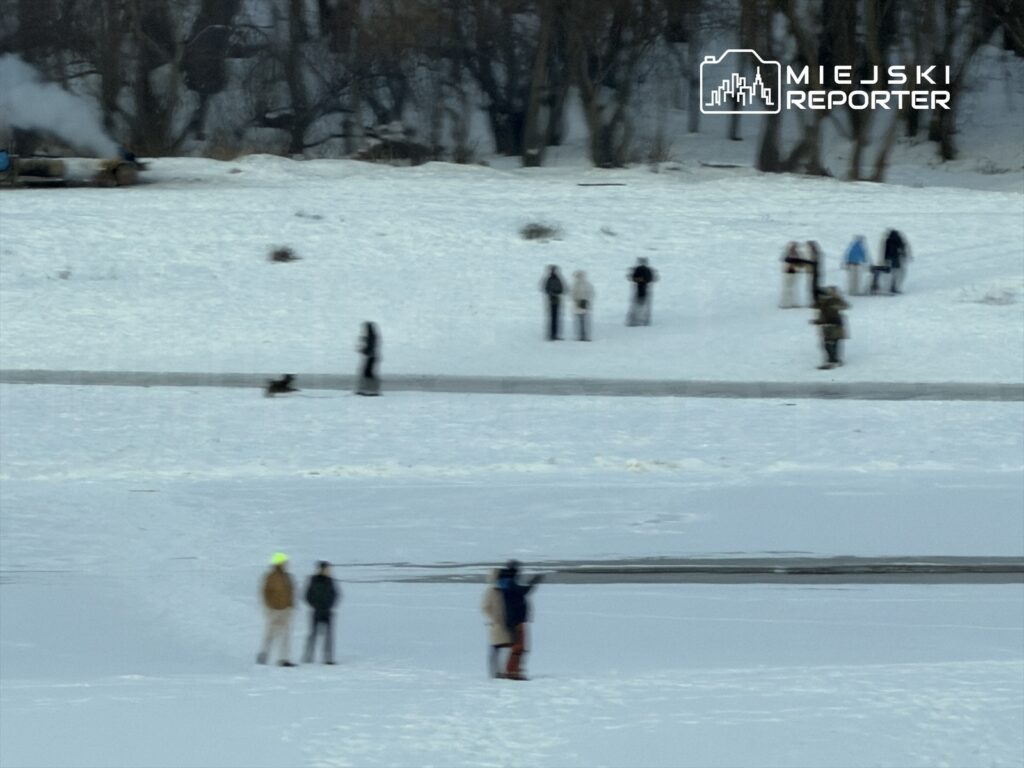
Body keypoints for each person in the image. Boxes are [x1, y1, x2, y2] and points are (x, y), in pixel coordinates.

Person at [497, 560, 544, 681]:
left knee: (518, 647)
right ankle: (513, 672)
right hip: (517, 619)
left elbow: (521, 592)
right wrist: (533, 582)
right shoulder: (510, 583)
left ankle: (513, 671)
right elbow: (522, 592)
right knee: (519, 647)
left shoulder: (505, 582)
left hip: (513, 618)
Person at [257, 552, 296, 667]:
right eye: (283, 562)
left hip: (285, 610)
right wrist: (269, 605)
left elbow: (291, 591)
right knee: (270, 634)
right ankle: (264, 655)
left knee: (285, 635)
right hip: (274, 610)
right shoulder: (271, 577)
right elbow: (265, 592)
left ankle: (284, 658)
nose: (285, 564)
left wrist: (290, 605)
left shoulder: (287, 576)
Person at [303, 561, 340, 665]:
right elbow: (307, 595)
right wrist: (314, 605)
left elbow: (335, 594)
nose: (328, 571)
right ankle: (308, 656)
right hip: (316, 611)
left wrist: (330, 605)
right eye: (327, 569)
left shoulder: (330, 581)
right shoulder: (313, 580)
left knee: (328, 636)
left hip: (327, 611)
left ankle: (328, 658)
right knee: (313, 634)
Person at [480, 568, 513, 678]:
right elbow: (484, 607)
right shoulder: (491, 591)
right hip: (497, 625)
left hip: (506, 624)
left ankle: (502, 672)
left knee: (505, 650)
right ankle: (495, 673)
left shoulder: (505, 590)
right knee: (496, 650)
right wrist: (494, 618)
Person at [810, 286, 850, 369]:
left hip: (835, 325)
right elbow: (815, 307)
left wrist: (837, 299)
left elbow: (845, 306)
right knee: (827, 344)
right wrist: (817, 321)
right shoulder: (822, 302)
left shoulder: (835, 301)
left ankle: (833, 360)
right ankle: (831, 359)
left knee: (832, 343)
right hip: (827, 326)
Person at [626, 257, 658, 326]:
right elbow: (653, 278)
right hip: (642, 290)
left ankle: (636, 320)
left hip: (641, 290)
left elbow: (632, 278)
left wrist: (640, 279)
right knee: (640, 306)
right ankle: (642, 320)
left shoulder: (640, 269)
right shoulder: (646, 269)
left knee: (637, 306)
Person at [539, 265, 564, 340]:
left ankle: (555, 335)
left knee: (556, 318)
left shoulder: (557, 279)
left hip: (556, 300)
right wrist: (552, 293)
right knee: (552, 318)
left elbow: (561, 289)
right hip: (551, 300)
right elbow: (545, 289)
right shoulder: (549, 279)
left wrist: (556, 293)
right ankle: (551, 335)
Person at [355, 321, 380, 395]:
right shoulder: (372, 336)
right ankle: (370, 389)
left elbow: (370, 347)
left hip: (371, 357)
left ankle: (371, 390)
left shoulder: (371, 337)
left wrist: (363, 350)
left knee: (367, 374)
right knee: (368, 373)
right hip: (372, 356)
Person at [883, 229, 910, 293]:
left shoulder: (888, 240)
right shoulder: (898, 239)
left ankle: (892, 286)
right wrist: (904, 255)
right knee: (897, 273)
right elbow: (902, 248)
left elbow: (886, 250)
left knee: (892, 273)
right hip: (897, 258)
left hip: (890, 258)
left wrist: (885, 258)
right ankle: (894, 287)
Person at [570, 270, 594, 341]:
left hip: (578, 304)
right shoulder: (587, 284)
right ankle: (585, 335)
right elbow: (591, 293)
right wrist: (588, 301)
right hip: (585, 304)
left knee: (579, 321)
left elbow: (572, 295)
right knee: (584, 321)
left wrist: (576, 300)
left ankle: (580, 335)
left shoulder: (575, 284)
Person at [779, 241, 805, 308]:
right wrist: (789, 266)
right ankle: (785, 304)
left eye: (794, 247)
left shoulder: (798, 255)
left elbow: (801, 264)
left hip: (795, 275)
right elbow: (783, 263)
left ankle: (794, 303)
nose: (793, 248)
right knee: (786, 289)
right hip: (787, 274)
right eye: (792, 247)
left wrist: (796, 267)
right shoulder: (786, 255)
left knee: (795, 289)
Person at [805, 241, 825, 305]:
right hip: (813, 273)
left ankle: (816, 301)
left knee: (815, 287)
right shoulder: (813, 253)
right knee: (813, 288)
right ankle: (814, 300)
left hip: (815, 272)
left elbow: (814, 262)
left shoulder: (815, 253)